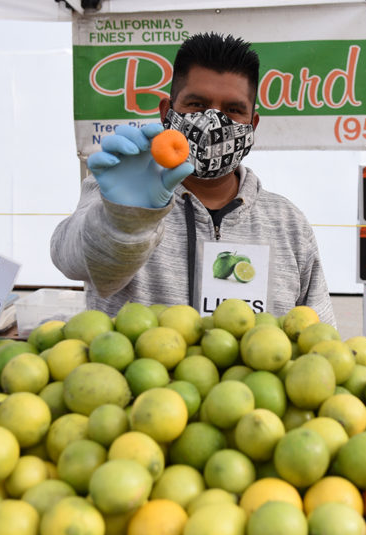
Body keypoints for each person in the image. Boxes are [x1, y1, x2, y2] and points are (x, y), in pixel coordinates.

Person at [51, 32, 335, 325]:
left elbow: (319, 335)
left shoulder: (287, 223)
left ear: (253, 124)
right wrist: (127, 220)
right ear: (167, 113)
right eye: (197, 105)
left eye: (233, 110)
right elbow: (68, 259)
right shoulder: (122, 192)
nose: (213, 121)